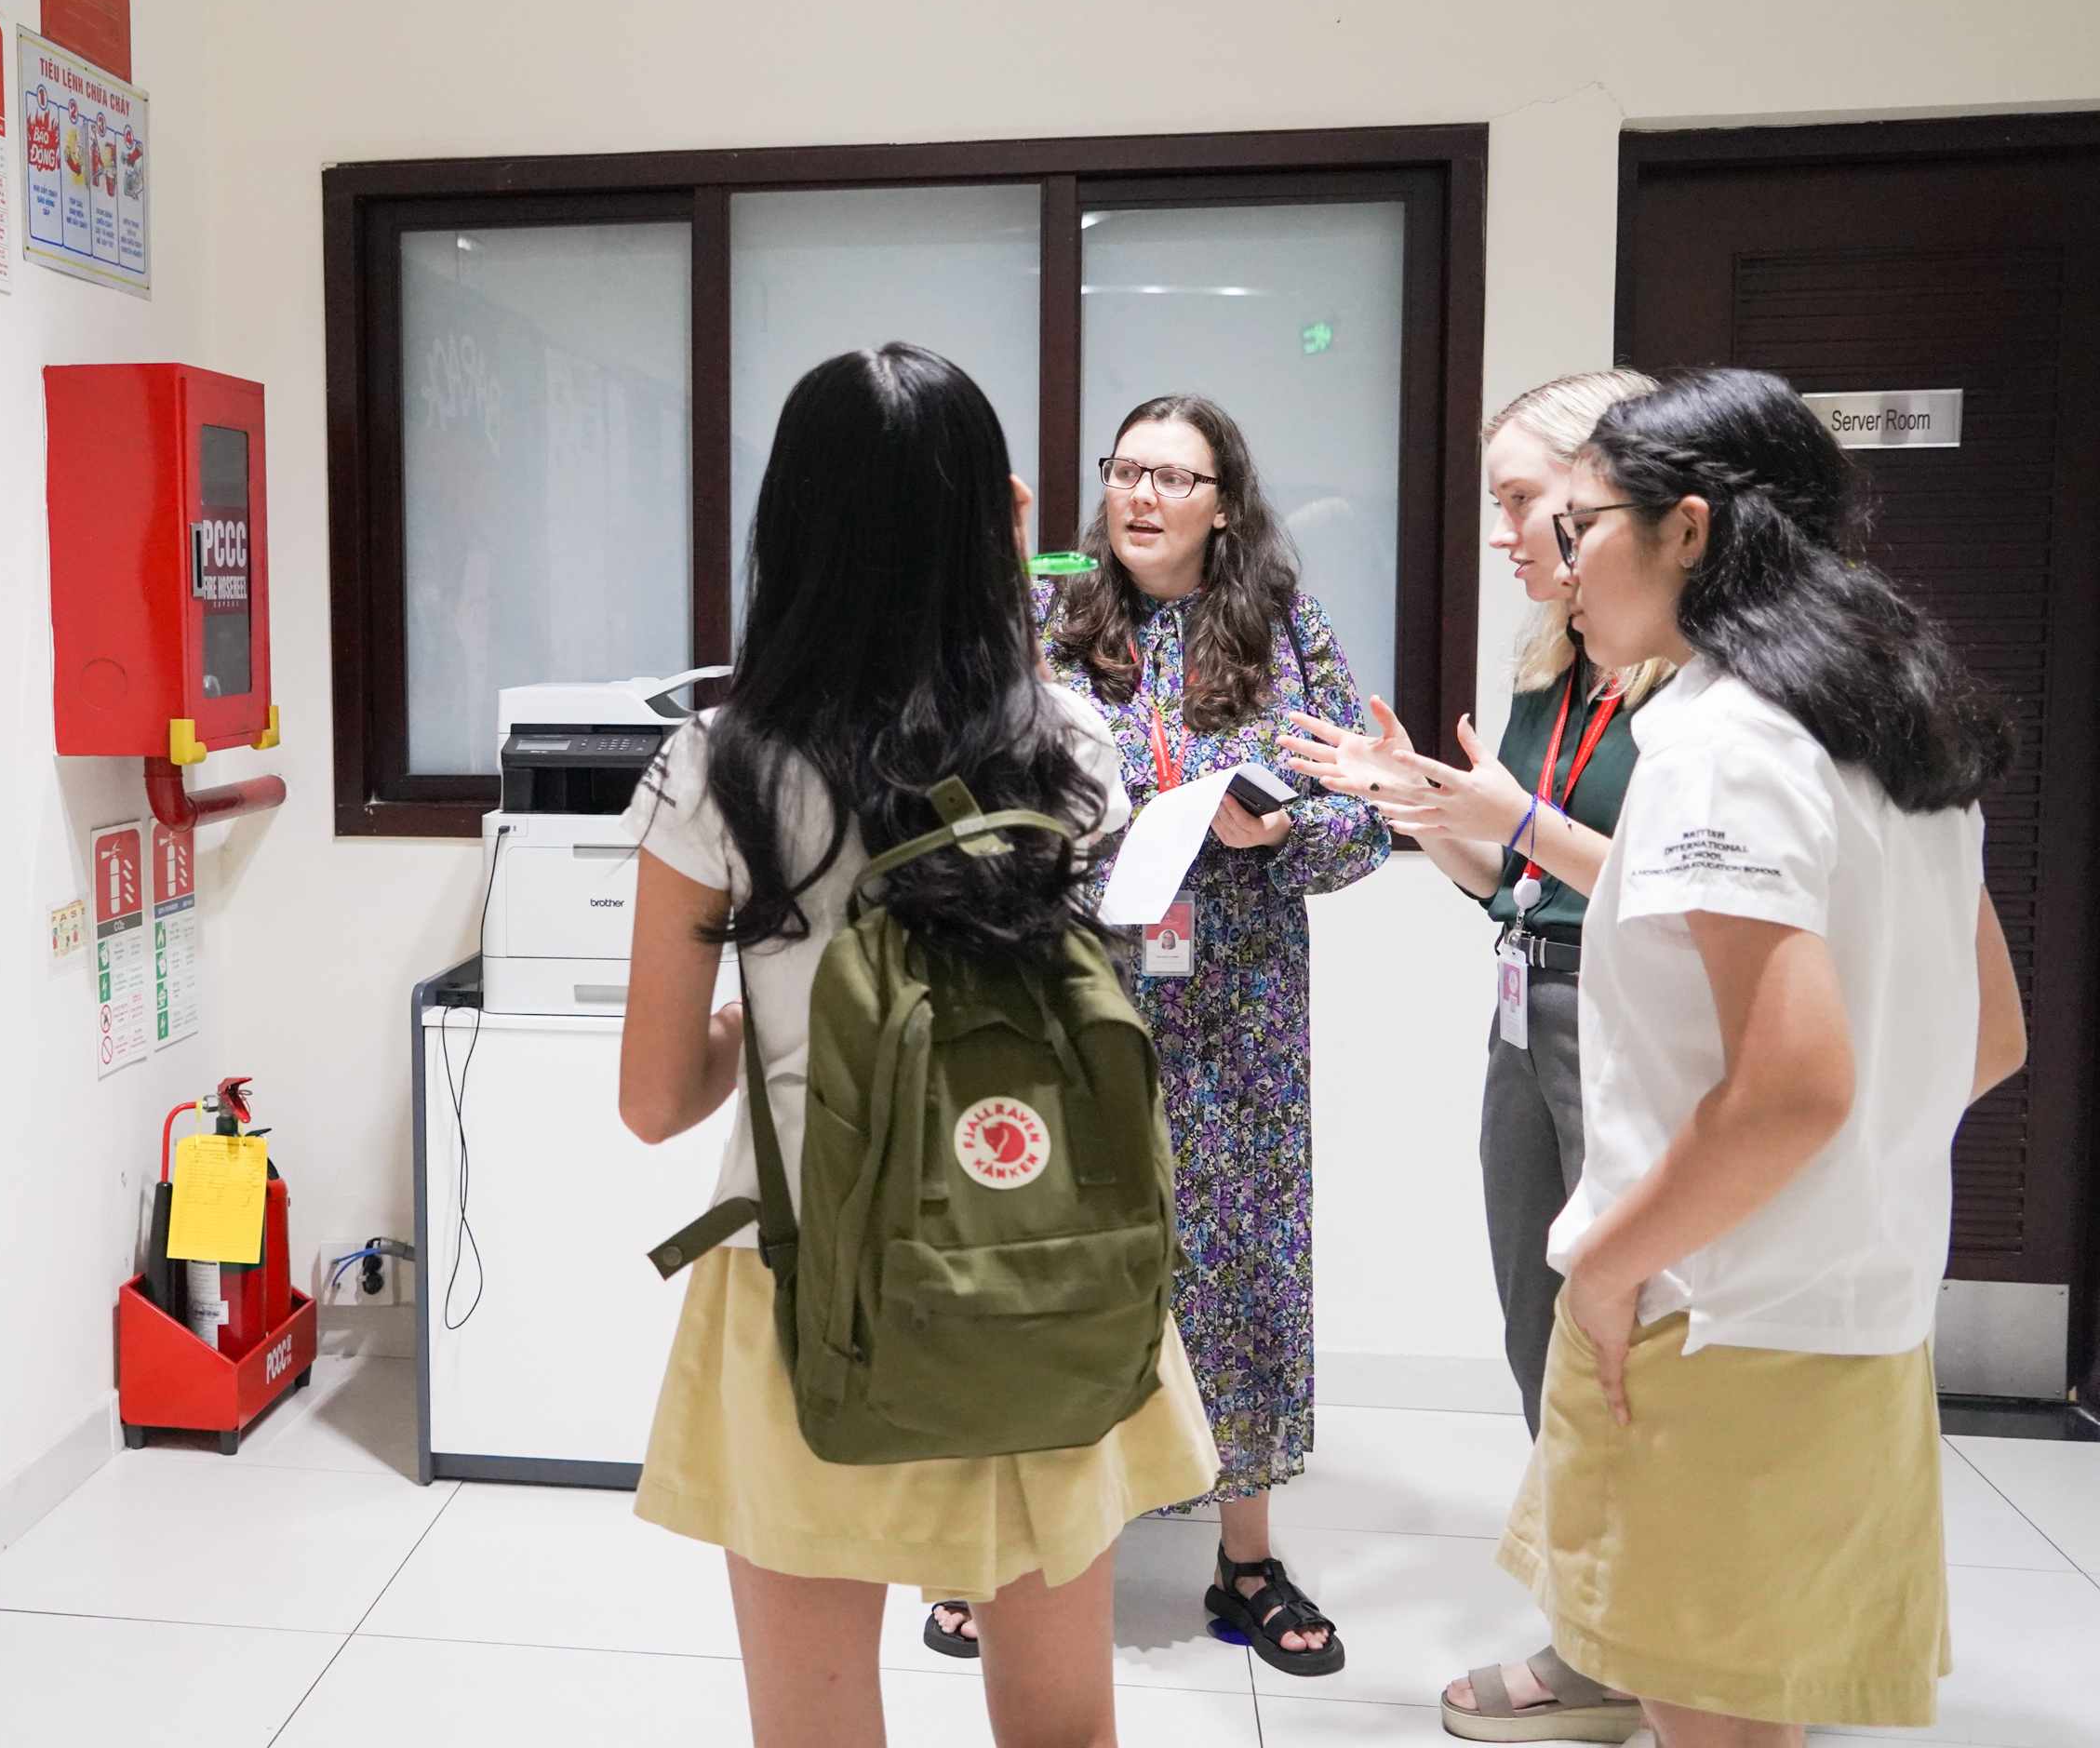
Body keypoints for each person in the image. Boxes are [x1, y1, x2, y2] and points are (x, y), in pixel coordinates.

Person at [620, 344, 1222, 1748]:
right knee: (1061, 1722)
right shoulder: (1067, 744)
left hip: (802, 1273)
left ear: (792, 525)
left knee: (818, 1727)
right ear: (997, 523)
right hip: (1032, 1247)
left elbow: (656, 1101)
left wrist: (761, 1016)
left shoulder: (722, 764)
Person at [1496, 368, 2026, 1748]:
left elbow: (1793, 1086)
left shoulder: (1722, 745)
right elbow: (1991, 1037)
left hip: (1710, 1323)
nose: (1558, 569)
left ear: (1686, 531)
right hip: (1855, 1311)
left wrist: (1612, 1266)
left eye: (1576, 526)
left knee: (1715, 1726)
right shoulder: (1893, 728)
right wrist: (1852, 1187)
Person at [977, 394, 1389, 1679]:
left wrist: (1279, 836)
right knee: (1048, 1258)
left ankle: (1246, 1561)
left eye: (1174, 476)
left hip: (1235, 1011)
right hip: (1068, 993)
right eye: (1127, 470)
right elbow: (969, 769)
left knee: (1239, 1261)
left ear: (1226, 502)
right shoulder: (1047, 625)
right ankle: (995, 1551)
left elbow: (1368, 813)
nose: (1142, 496)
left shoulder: (1283, 634)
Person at [1283, 371, 1666, 1741]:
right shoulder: (1550, 664)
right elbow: (1506, 870)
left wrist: (1513, 825)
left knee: (1641, 1348)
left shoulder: (1704, 687)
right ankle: (1603, 1634)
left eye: (1521, 501)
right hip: (1529, 1004)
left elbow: (1691, 894)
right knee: (1544, 1335)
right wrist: (1420, 807)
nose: (1502, 535)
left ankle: (1652, 1650)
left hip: (1639, 1025)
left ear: (1612, 490)